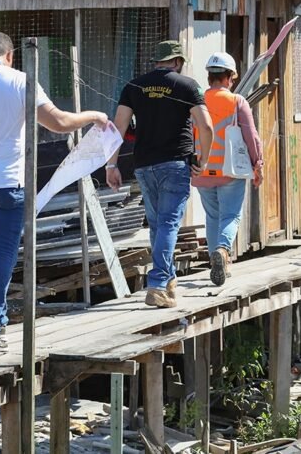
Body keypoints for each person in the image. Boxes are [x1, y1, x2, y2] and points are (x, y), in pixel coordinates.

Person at [0, 32, 111, 353]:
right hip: (8, 182)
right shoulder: (19, 81)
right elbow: (59, 122)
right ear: (10, 56)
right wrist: (95, 116)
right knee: (4, 255)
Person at [106, 40, 213, 308]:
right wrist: (203, 159)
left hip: (143, 165)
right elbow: (206, 126)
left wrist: (111, 165)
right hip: (175, 165)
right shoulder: (188, 85)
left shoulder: (134, 86)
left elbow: (118, 127)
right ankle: (158, 284)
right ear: (177, 61)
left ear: (157, 61)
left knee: (157, 225)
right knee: (168, 224)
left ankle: (168, 281)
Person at [192, 52, 263, 286]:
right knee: (231, 215)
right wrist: (258, 165)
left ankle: (217, 263)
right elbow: (251, 137)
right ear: (229, 77)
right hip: (230, 170)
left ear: (209, 76)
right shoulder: (237, 102)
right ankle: (222, 251)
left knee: (213, 216)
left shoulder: (197, 100)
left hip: (202, 170)